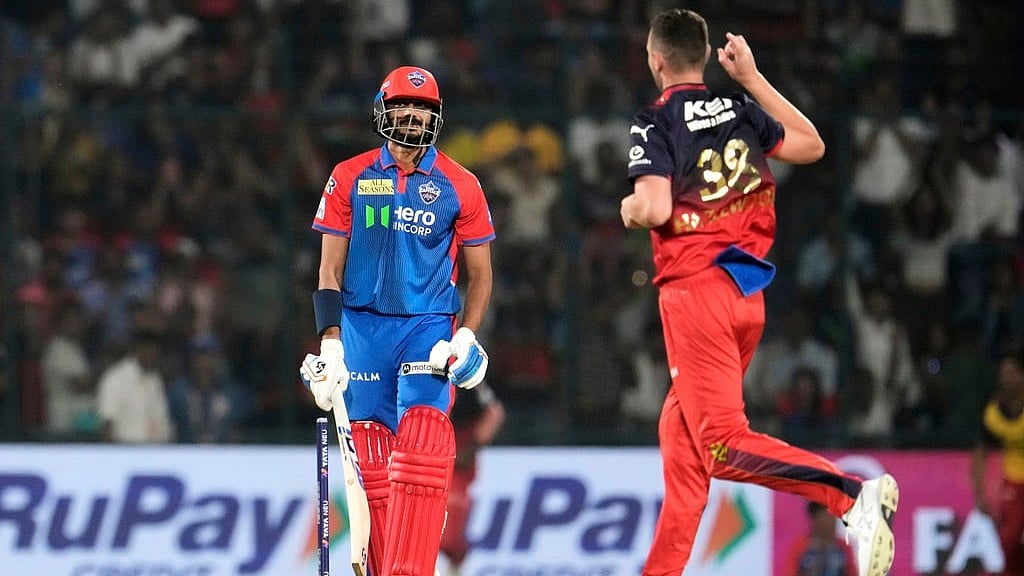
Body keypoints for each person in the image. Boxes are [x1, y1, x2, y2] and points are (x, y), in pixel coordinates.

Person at [619, 9, 898, 576]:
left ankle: (849, 495)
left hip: (695, 296)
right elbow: (811, 144)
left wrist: (628, 209)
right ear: (701, 57)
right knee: (685, 449)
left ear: (655, 61)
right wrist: (750, 77)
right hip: (746, 295)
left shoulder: (655, 120)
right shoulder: (741, 109)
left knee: (721, 446)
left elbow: (653, 207)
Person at [299, 65, 495, 576]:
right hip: (362, 329)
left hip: (427, 327)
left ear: (437, 117)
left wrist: (468, 335)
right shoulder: (349, 175)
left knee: (425, 439)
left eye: (424, 109)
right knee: (370, 459)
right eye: (404, 106)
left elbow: (481, 275)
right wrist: (330, 344)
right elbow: (328, 269)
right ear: (382, 111)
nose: (413, 116)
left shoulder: (461, 184)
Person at [439, 382, 505, 575]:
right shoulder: (441, 423)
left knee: (453, 549)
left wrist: (479, 385)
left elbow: (495, 412)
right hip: (436, 492)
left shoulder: (470, 432)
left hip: (455, 495)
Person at [971, 350, 1024, 576]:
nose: (1006, 378)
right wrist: (981, 494)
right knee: (1009, 541)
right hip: (1013, 481)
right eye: (1003, 373)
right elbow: (980, 454)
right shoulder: (993, 414)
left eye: (1012, 372)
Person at [96, 328, 173, 443]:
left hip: (157, 451)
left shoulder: (155, 378)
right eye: (150, 351)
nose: (154, 356)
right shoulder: (115, 378)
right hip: (126, 451)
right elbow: (107, 421)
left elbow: (161, 417)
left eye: (156, 352)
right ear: (138, 350)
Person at [783, 501, 857, 576]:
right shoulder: (800, 547)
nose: (830, 520)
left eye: (833, 515)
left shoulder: (844, 547)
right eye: (825, 515)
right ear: (815, 518)